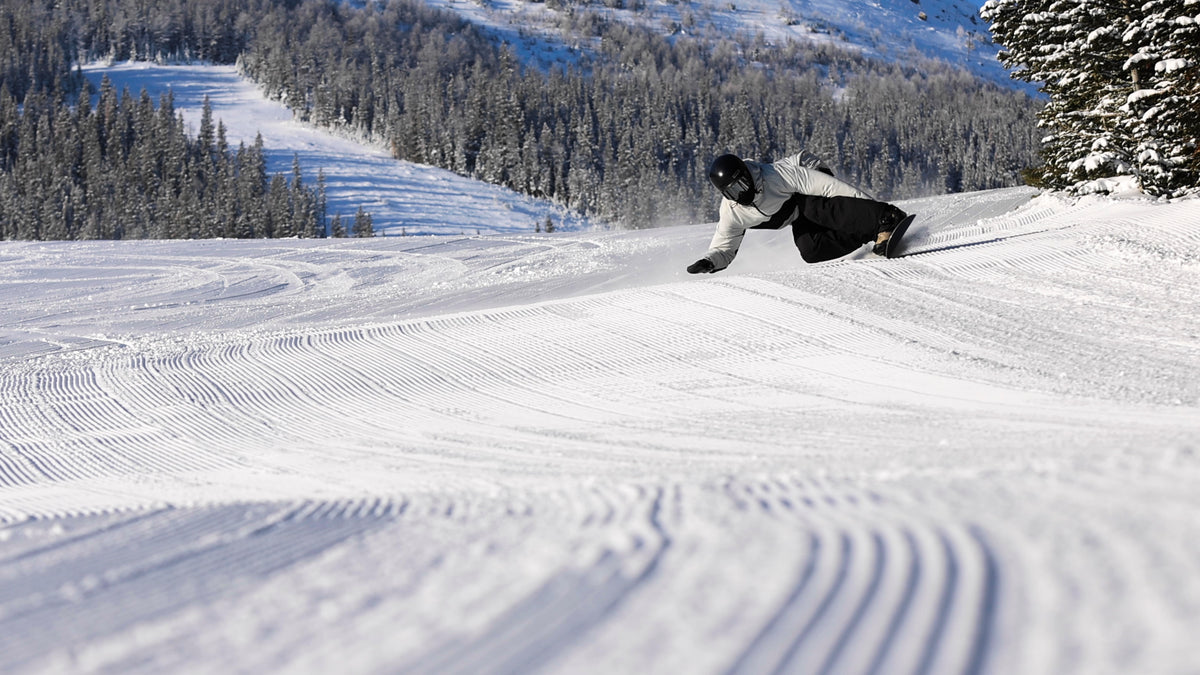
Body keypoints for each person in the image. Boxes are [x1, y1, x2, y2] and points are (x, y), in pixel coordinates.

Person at [687, 151, 909, 273]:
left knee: (816, 208)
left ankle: (885, 221)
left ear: (747, 174)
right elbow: (724, 247)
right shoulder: (732, 212)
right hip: (793, 209)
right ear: (726, 194)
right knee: (810, 251)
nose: (742, 191)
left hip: (808, 171)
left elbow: (830, 188)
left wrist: (876, 211)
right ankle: (867, 234)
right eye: (734, 190)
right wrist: (710, 262)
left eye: (742, 182)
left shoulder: (775, 177)